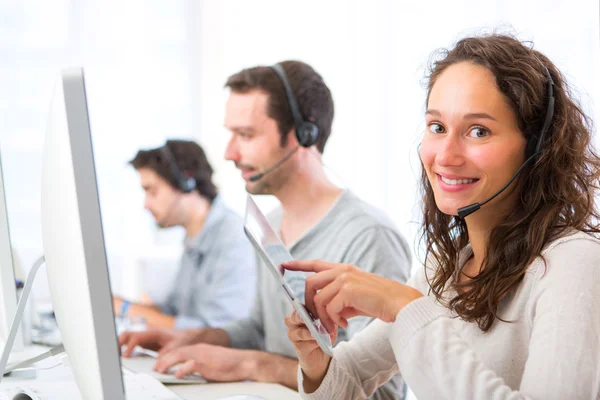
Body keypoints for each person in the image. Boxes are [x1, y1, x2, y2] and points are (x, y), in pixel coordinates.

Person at [284, 34, 600, 399]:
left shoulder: (574, 264)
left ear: (538, 149)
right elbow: (349, 378)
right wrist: (317, 361)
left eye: (478, 131)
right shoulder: (446, 268)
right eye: (437, 127)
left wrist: (403, 308)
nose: (446, 156)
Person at [120, 61, 411, 398]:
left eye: (245, 135)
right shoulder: (269, 225)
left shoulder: (368, 238)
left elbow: (383, 394)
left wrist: (253, 365)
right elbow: (259, 330)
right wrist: (194, 338)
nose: (229, 153)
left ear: (305, 134)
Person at [113, 139, 257, 329]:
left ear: (186, 182)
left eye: (152, 191)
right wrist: (119, 306)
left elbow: (220, 332)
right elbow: (174, 313)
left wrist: (125, 309)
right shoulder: (194, 238)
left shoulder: (234, 237)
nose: (146, 204)